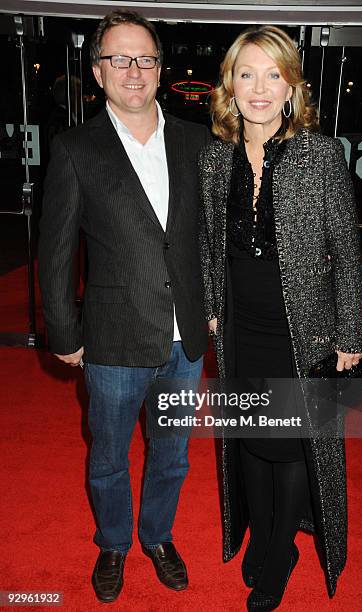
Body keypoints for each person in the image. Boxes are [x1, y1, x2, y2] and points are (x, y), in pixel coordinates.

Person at [39, 10, 211, 604]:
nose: (133, 71)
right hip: (111, 341)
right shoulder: (74, 149)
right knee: (108, 458)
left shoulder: (198, 142)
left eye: (145, 59)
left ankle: (157, 536)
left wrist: (212, 309)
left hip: (184, 340)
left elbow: (210, 240)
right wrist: (63, 331)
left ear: (161, 69)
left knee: (173, 457)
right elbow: (56, 250)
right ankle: (113, 542)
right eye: (119, 58)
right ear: (97, 71)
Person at [198, 25, 362, 611]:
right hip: (241, 328)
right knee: (248, 436)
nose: (260, 88)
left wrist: (349, 333)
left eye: (274, 74)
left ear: (292, 86)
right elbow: (208, 243)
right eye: (247, 73)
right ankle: (265, 533)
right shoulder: (217, 159)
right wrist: (213, 310)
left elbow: (346, 249)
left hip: (304, 330)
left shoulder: (320, 154)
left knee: (295, 445)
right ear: (230, 85)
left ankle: (279, 549)